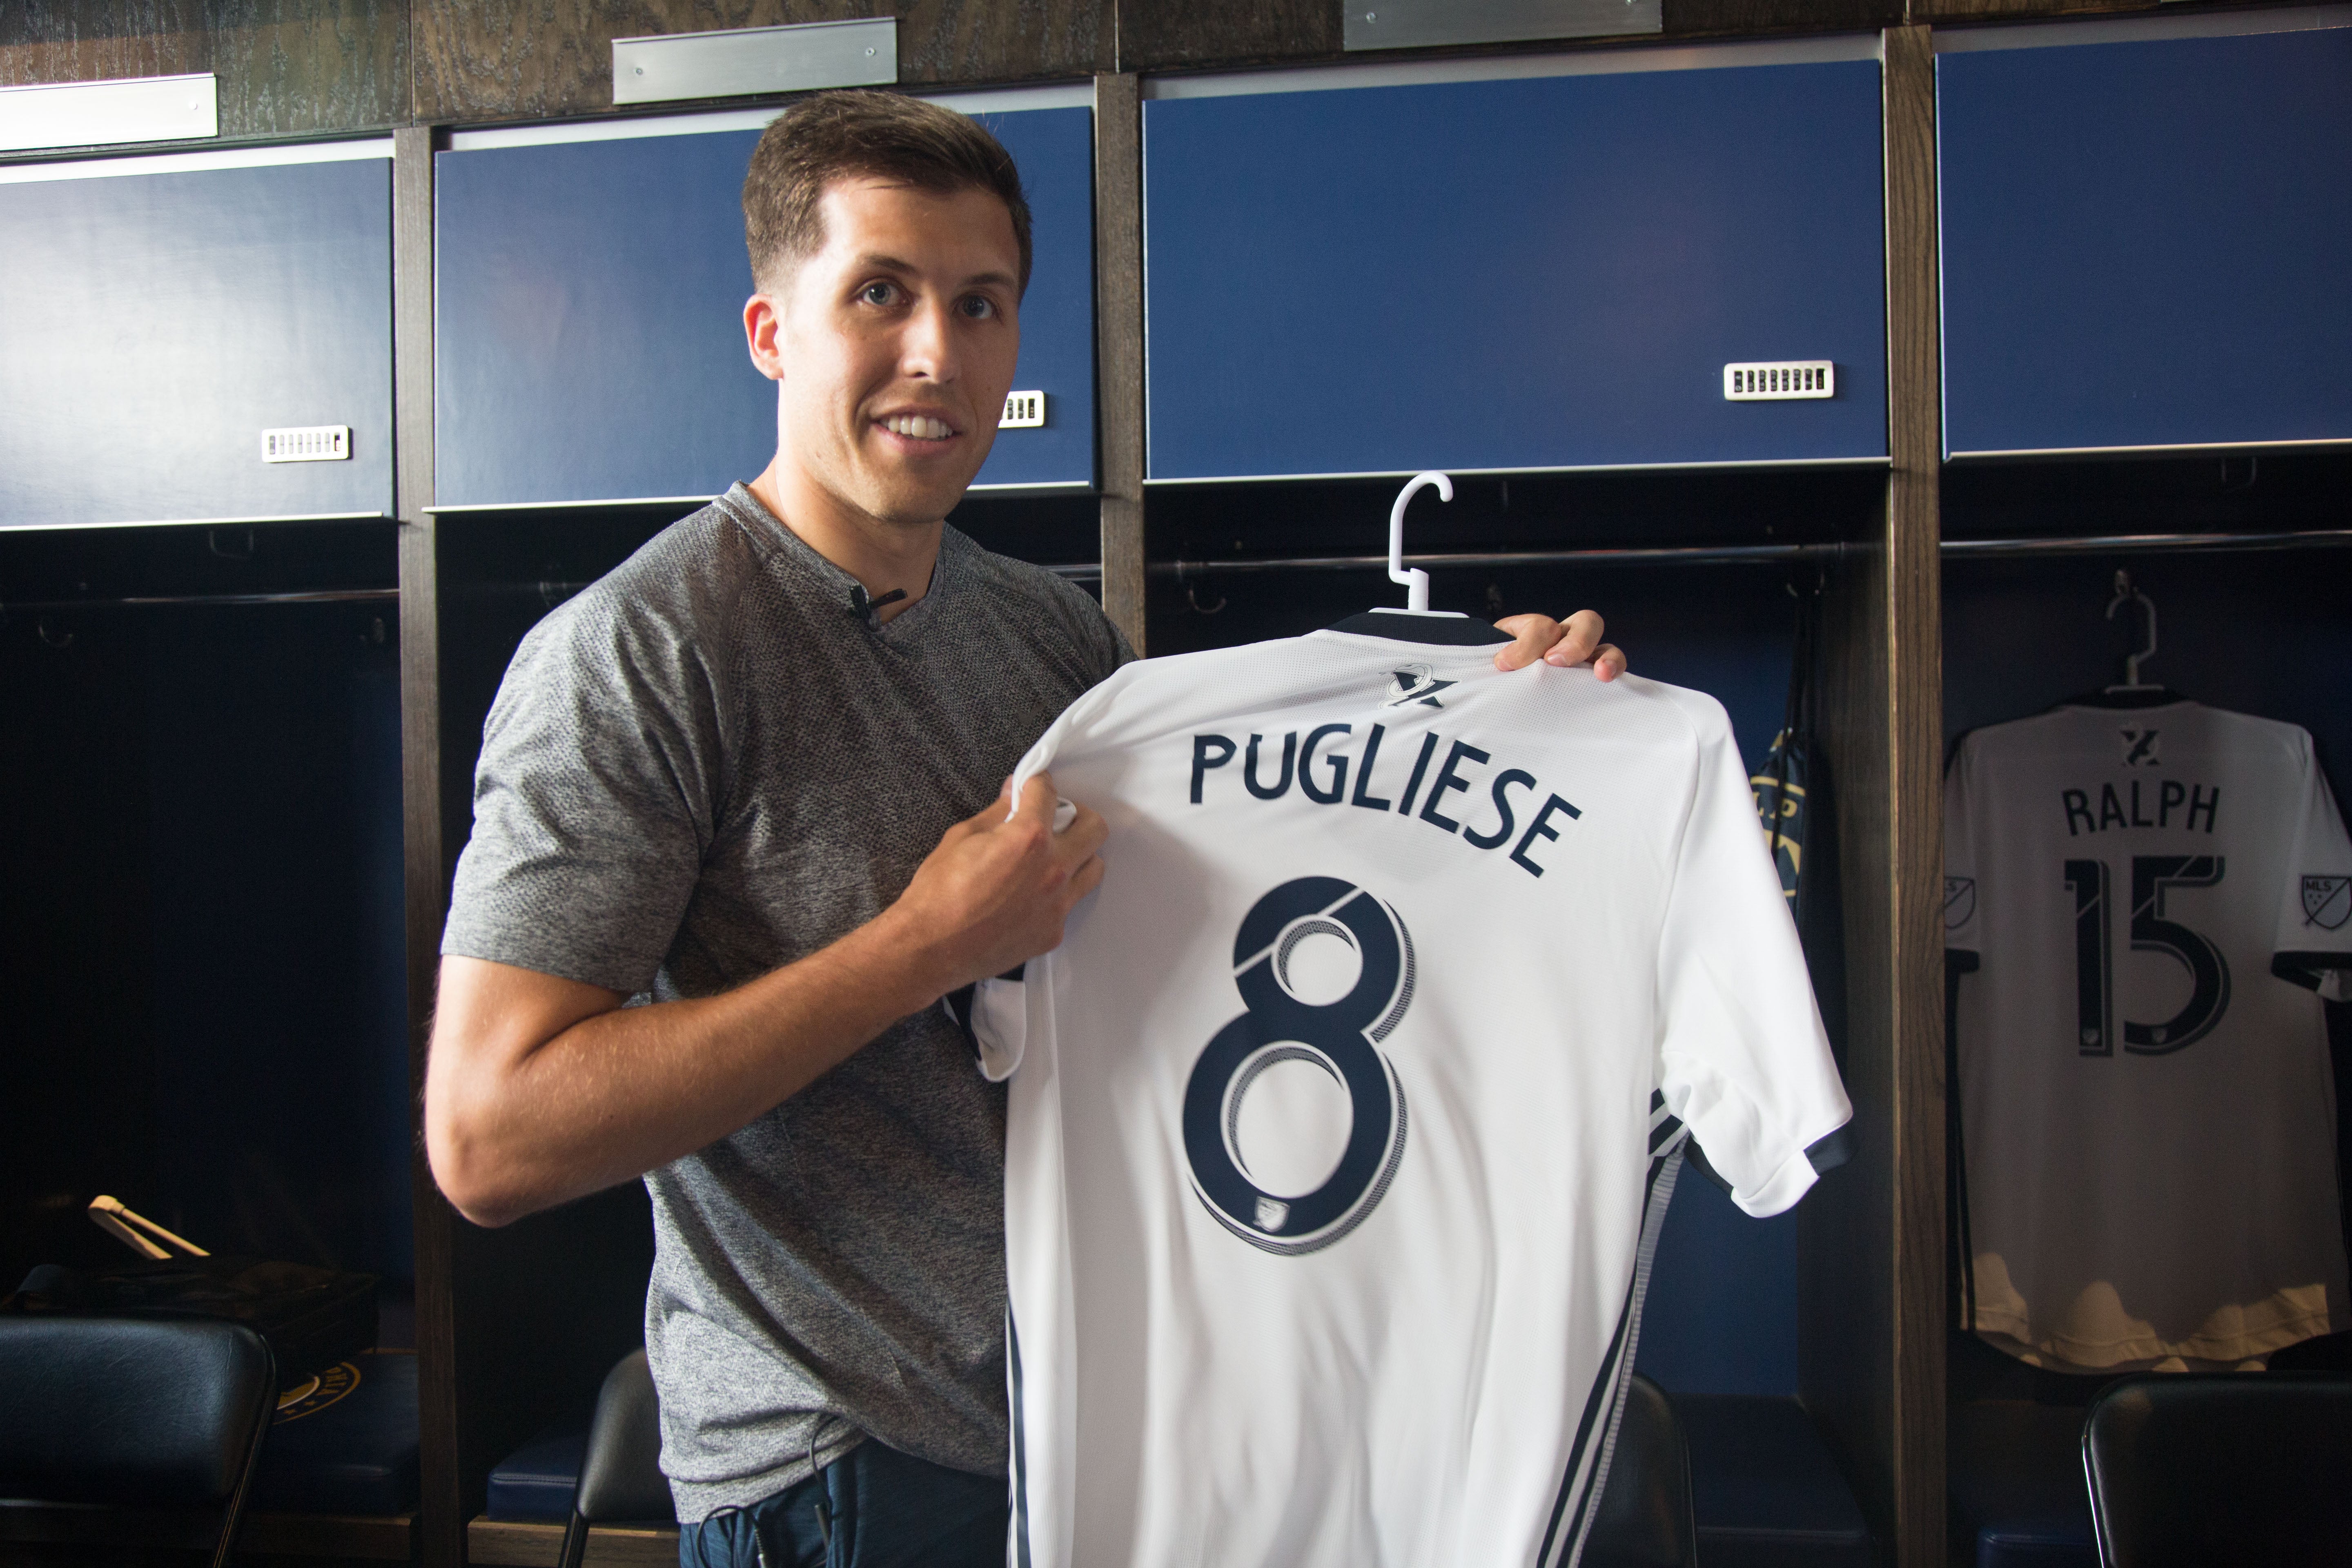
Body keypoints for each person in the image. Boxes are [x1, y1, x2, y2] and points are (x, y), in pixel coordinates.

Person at [423, 90, 1627, 1568]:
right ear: (771, 332)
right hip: (837, 1464)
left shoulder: (1061, 646)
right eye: (882, 293)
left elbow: (1258, 905)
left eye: (981, 306)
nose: (939, 353)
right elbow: (488, 1136)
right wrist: (918, 947)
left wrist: (1489, 709)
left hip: (1093, 1423)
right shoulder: (638, 653)